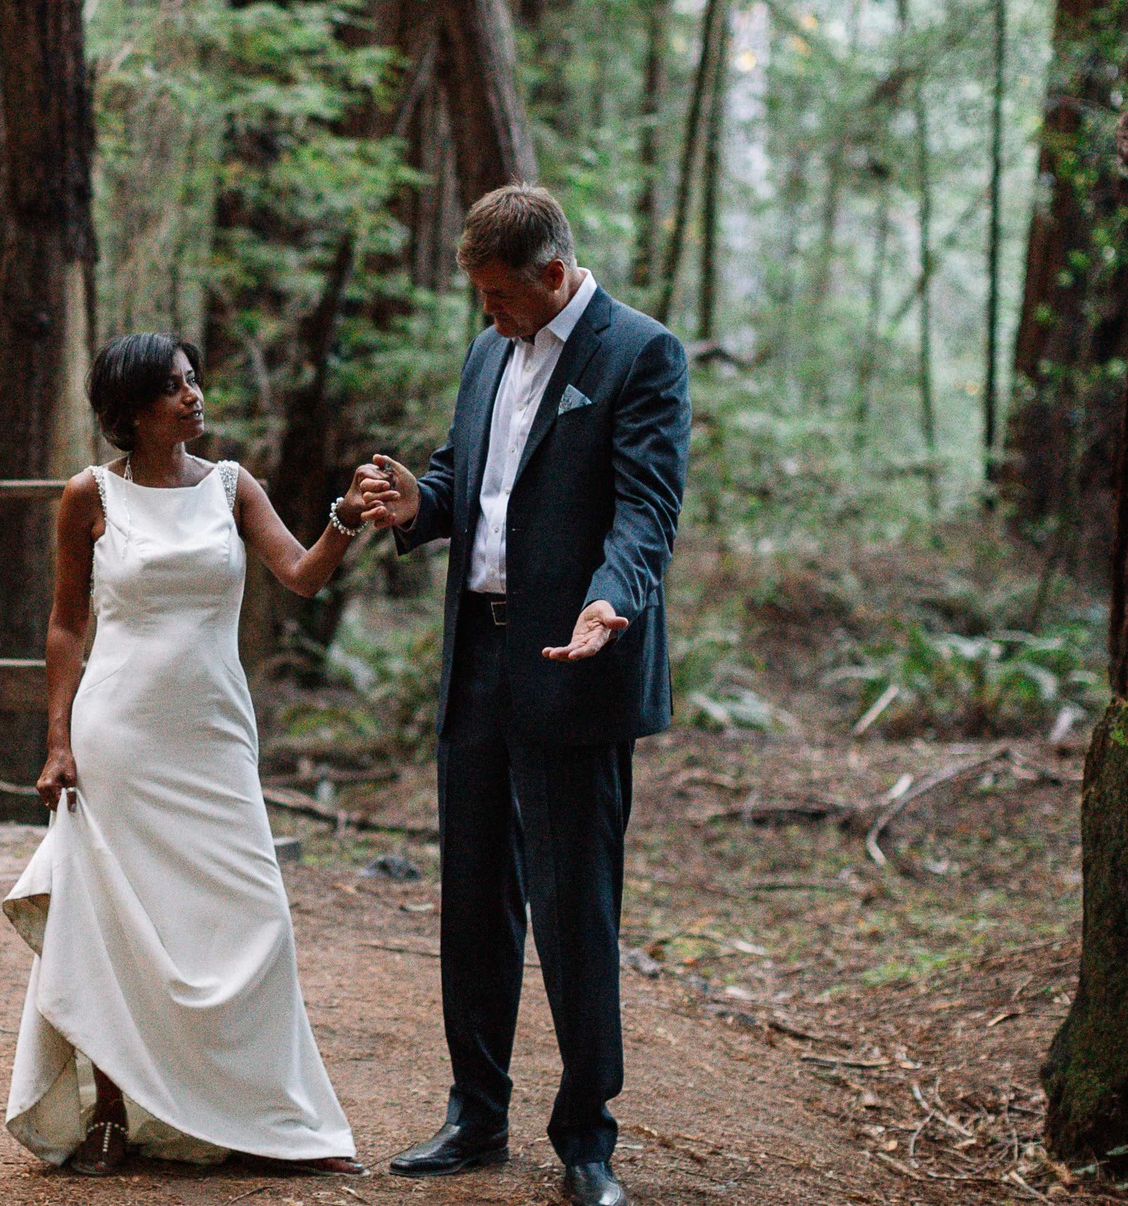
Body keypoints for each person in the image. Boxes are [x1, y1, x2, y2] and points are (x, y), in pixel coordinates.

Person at [358, 185, 690, 1206]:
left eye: (501, 295)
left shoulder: (640, 354)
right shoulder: (488, 351)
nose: (487, 314)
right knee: (473, 896)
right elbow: (469, 483)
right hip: (479, 662)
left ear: (555, 274)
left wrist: (609, 602)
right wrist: (419, 501)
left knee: (575, 907)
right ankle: (475, 1114)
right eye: (480, 297)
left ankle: (586, 1139)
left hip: (575, 664)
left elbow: (647, 511)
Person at [1, 332, 388, 1177]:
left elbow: (300, 574)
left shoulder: (230, 486)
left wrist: (343, 520)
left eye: (193, 381)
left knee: (256, 922)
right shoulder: (89, 496)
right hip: (120, 742)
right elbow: (68, 626)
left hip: (213, 737)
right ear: (133, 410)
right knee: (116, 930)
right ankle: (109, 1117)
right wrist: (58, 742)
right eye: (174, 387)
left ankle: (272, 1121)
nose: (194, 395)